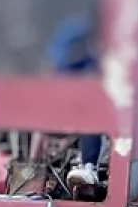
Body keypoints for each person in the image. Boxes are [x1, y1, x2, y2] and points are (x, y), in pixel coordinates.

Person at [45, 12, 105, 190]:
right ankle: (89, 166)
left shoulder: (93, 44)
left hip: (82, 93)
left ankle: (89, 165)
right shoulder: (76, 34)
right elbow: (60, 64)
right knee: (91, 117)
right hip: (69, 93)